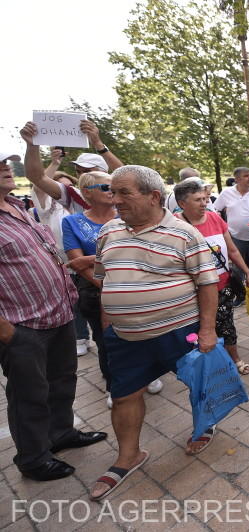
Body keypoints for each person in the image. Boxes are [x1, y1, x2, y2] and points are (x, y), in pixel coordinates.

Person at [90, 165, 219, 500]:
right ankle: (128, 456)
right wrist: (108, 322)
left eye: (123, 193)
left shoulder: (185, 234)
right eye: (111, 191)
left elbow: (207, 283)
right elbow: (105, 279)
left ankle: (204, 426)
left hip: (180, 331)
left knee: (198, 382)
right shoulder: (107, 232)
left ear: (154, 197)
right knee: (124, 396)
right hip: (125, 337)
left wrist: (208, 331)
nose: (114, 199)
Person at [1, 147, 106, 482]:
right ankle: (33, 458)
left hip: (58, 314)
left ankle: (61, 433)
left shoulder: (17, 207)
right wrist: (4, 329)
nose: (5, 167)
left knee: (63, 381)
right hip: (22, 324)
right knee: (29, 394)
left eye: (5, 162)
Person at [174, 179, 249, 375]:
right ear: (182, 204)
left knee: (226, 325)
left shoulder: (214, 218)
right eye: (197, 200)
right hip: (192, 291)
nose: (204, 203)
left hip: (222, 286)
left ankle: (234, 358)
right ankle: (203, 364)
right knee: (196, 329)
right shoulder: (174, 225)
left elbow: (232, 250)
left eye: (205, 198)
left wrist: (246, 270)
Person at [62, 171, 117, 408]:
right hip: (96, 291)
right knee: (106, 341)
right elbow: (76, 262)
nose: (112, 192)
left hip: (134, 286)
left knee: (139, 335)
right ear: (87, 192)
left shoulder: (126, 215)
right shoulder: (72, 222)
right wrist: (108, 286)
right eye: (105, 187)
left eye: (114, 187)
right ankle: (114, 385)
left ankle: (146, 376)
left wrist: (90, 258)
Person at [33, 147, 90, 356]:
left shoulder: (84, 205)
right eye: (59, 188)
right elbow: (39, 183)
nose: (67, 191)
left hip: (89, 259)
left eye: (70, 186)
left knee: (88, 300)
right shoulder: (49, 208)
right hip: (65, 262)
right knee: (74, 301)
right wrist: (54, 163)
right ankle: (81, 337)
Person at [213, 167, 249, 306]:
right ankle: (240, 295)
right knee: (238, 268)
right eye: (246, 176)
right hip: (235, 238)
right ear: (237, 179)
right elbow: (215, 210)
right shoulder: (226, 193)